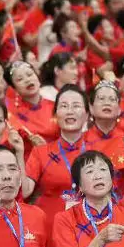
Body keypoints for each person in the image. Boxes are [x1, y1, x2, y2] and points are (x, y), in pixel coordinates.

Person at [24, 84, 88, 227]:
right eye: (64, 106)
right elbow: (24, 191)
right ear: (55, 114)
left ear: (87, 115)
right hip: (48, 227)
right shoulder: (41, 152)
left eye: (76, 106)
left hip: (88, 227)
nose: (70, 111)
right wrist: (17, 153)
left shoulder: (96, 153)